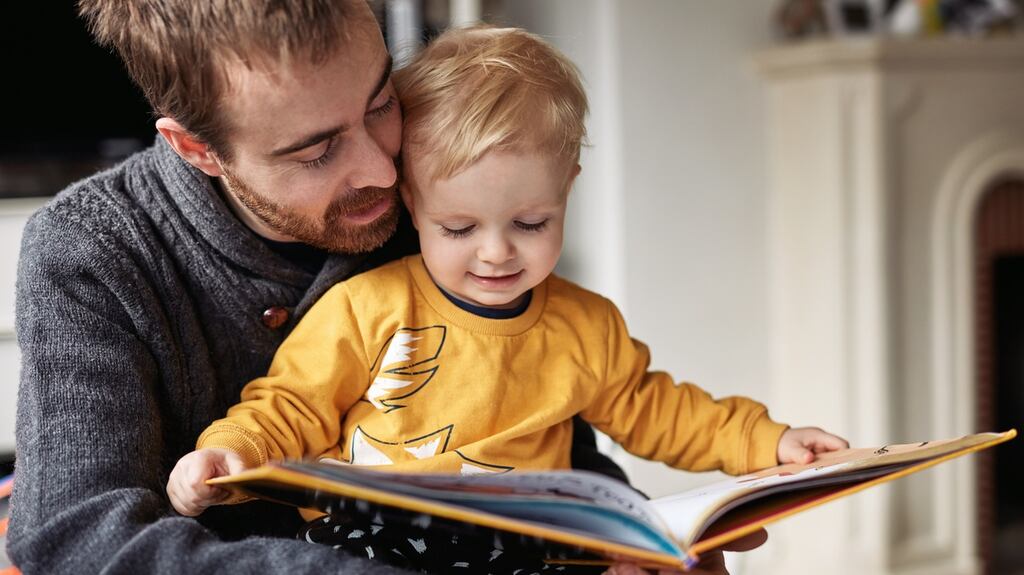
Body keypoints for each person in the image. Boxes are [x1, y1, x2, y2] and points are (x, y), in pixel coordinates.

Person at [166, 26, 849, 573]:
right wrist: (231, 453)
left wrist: (771, 441)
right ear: (411, 202)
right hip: (380, 534)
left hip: (529, 537)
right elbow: (291, 405)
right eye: (458, 228)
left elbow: (657, 408)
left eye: (531, 223)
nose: (497, 253)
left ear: (567, 190)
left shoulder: (586, 325)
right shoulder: (369, 306)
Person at [8, 2, 626, 574]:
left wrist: (638, 540)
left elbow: (548, 427)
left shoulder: (438, 193)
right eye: (318, 151)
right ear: (198, 149)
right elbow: (76, 537)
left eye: (381, 102)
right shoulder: (93, 248)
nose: (385, 170)